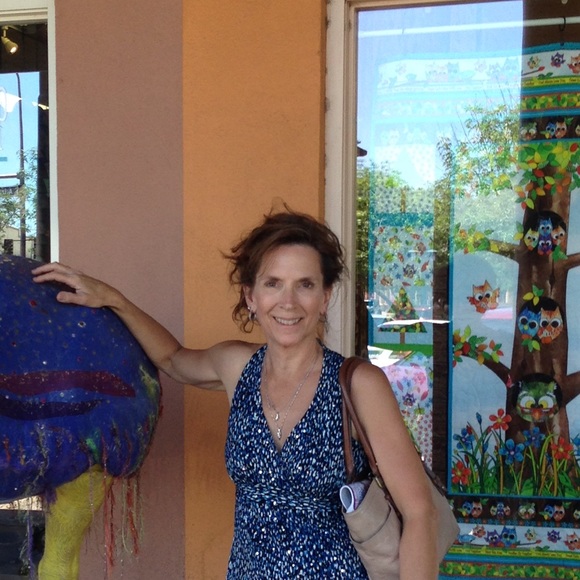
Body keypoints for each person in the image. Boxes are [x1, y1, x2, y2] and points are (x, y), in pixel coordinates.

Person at [32, 209, 439, 579]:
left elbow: (419, 512)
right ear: (251, 296)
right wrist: (114, 300)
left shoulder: (358, 384)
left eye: (305, 285)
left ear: (325, 297)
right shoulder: (237, 367)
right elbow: (173, 359)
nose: (288, 302)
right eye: (273, 283)